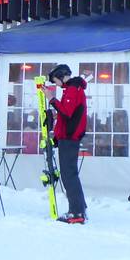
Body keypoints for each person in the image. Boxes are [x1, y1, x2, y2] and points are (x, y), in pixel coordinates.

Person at [47, 64, 88, 224]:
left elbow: (66, 112)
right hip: (68, 137)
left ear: (61, 76)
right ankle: (80, 208)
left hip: (70, 139)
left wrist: (51, 99)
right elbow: (68, 114)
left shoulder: (72, 89)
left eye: (55, 80)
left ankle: (77, 212)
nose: (56, 84)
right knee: (71, 174)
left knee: (68, 175)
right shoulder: (72, 88)